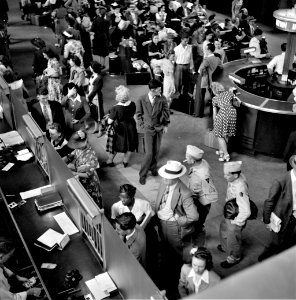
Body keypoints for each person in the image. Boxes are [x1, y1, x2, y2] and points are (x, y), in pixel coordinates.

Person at [152, 160, 199, 258]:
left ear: (176, 178)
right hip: (160, 221)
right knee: (164, 244)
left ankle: (177, 268)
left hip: (173, 226)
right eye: (164, 176)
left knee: (175, 249)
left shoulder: (185, 192)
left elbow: (194, 216)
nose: (163, 179)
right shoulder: (164, 182)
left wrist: (180, 221)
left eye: (167, 177)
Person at [258, 155, 296, 262]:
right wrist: (267, 221)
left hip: (295, 218)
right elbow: (269, 202)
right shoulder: (281, 181)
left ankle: (282, 256)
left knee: (290, 240)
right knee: (276, 241)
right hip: (282, 217)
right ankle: (266, 256)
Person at [136, 79, 170, 185]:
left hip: (159, 128)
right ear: (152, 90)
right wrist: (142, 125)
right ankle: (142, 174)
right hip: (148, 129)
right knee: (149, 153)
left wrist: (165, 125)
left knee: (156, 150)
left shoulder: (162, 99)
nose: (161, 91)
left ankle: (153, 168)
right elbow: (138, 114)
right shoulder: (141, 99)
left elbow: (166, 111)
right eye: (159, 90)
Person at [217, 161, 251, 268]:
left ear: (235, 175)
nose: (224, 176)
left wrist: (236, 223)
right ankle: (225, 246)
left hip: (236, 217)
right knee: (223, 228)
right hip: (229, 211)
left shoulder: (240, 187)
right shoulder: (235, 177)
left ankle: (234, 258)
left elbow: (246, 210)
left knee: (233, 239)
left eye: (227, 174)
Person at [185, 145, 218, 245]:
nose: (185, 159)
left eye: (187, 157)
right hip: (196, 199)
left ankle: (198, 245)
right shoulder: (201, 162)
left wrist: (199, 200)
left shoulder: (203, 175)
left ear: (193, 160)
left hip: (201, 204)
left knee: (198, 225)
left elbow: (212, 194)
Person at [67, 129, 102, 207]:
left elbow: (88, 175)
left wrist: (74, 173)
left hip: (90, 182)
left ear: (85, 141)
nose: (77, 148)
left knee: (91, 202)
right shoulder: (79, 149)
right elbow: (70, 156)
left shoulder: (91, 155)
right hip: (79, 176)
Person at [105, 85, 138, 167]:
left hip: (120, 128)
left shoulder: (115, 108)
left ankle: (110, 161)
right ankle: (125, 162)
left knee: (115, 145)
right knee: (130, 145)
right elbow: (133, 114)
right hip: (131, 126)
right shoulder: (132, 104)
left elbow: (109, 122)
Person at [194, 43, 222, 118]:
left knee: (200, 96)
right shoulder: (218, 58)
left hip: (206, 80)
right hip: (215, 80)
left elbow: (200, 70)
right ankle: (212, 114)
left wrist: (204, 73)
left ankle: (199, 113)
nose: (204, 50)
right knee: (214, 97)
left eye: (205, 49)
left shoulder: (207, 59)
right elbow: (221, 68)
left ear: (209, 50)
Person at [212, 82, 237, 162]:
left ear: (214, 91)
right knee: (226, 134)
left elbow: (214, 113)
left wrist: (214, 123)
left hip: (223, 113)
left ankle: (226, 154)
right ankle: (221, 152)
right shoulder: (228, 93)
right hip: (233, 112)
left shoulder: (214, 99)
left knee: (219, 135)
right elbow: (234, 91)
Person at [174, 33, 194, 97]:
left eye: (187, 41)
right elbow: (174, 59)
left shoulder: (190, 47)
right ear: (181, 40)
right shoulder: (176, 49)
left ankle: (185, 95)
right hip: (179, 66)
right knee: (178, 82)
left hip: (187, 66)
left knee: (187, 82)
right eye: (185, 41)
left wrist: (192, 67)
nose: (186, 42)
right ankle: (178, 94)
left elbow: (191, 58)